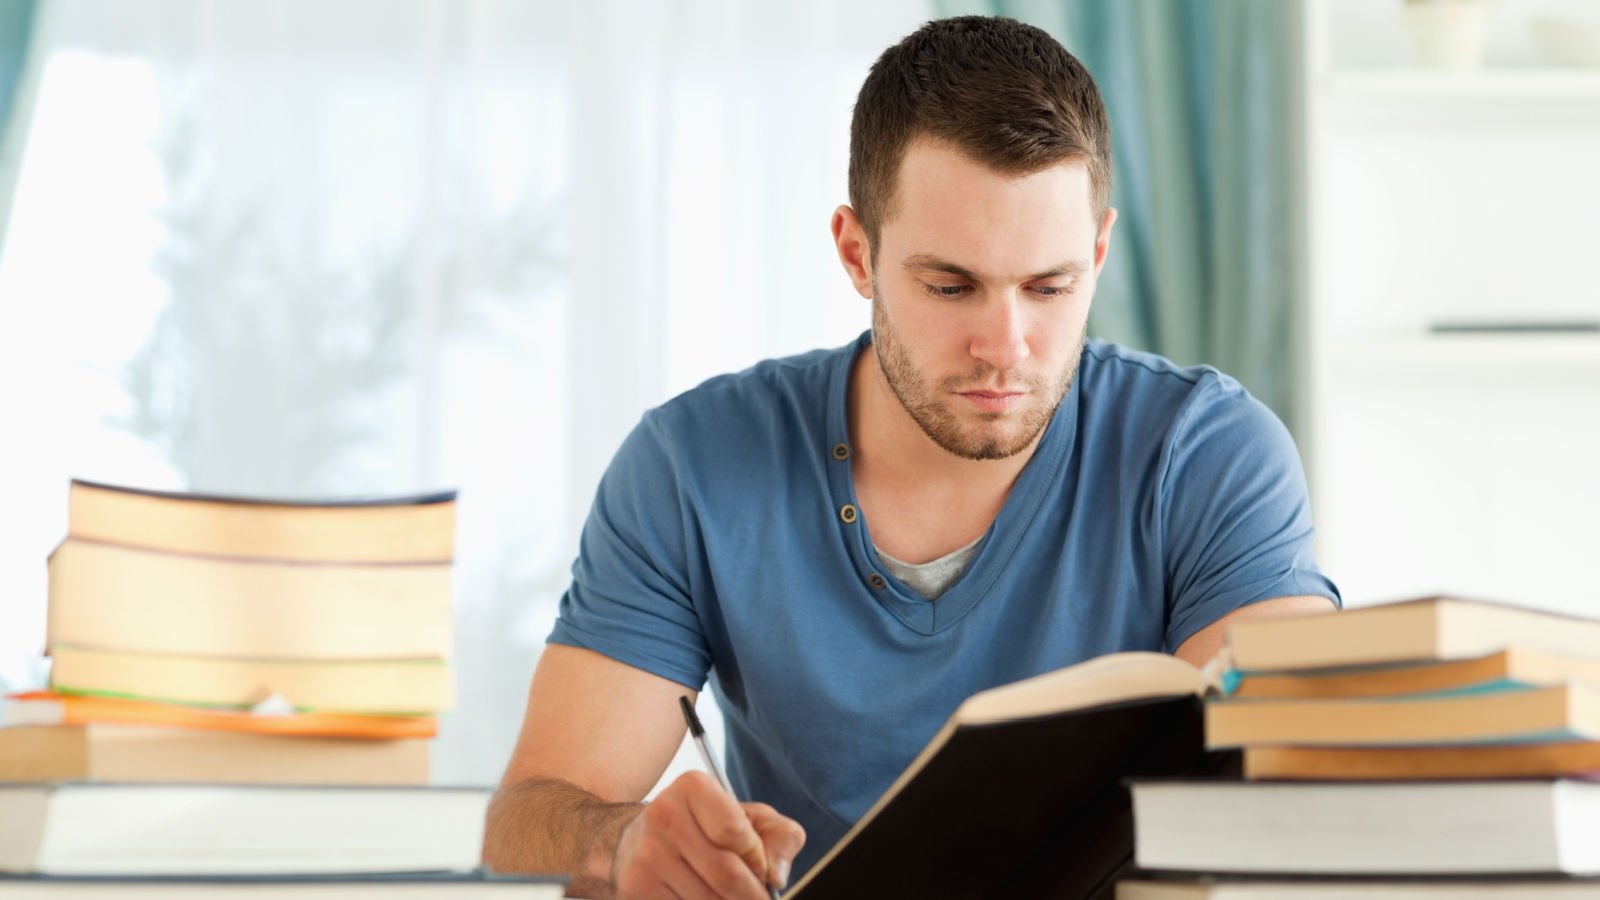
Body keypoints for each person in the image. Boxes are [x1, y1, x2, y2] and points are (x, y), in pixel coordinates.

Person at [483, 15, 1339, 900]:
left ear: (1098, 251)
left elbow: (1283, 784)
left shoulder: (1206, 454)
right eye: (950, 286)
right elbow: (527, 820)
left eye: (1050, 287)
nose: (1004, 347)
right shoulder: (691, 468)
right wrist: (622, 844)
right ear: (858, 253)